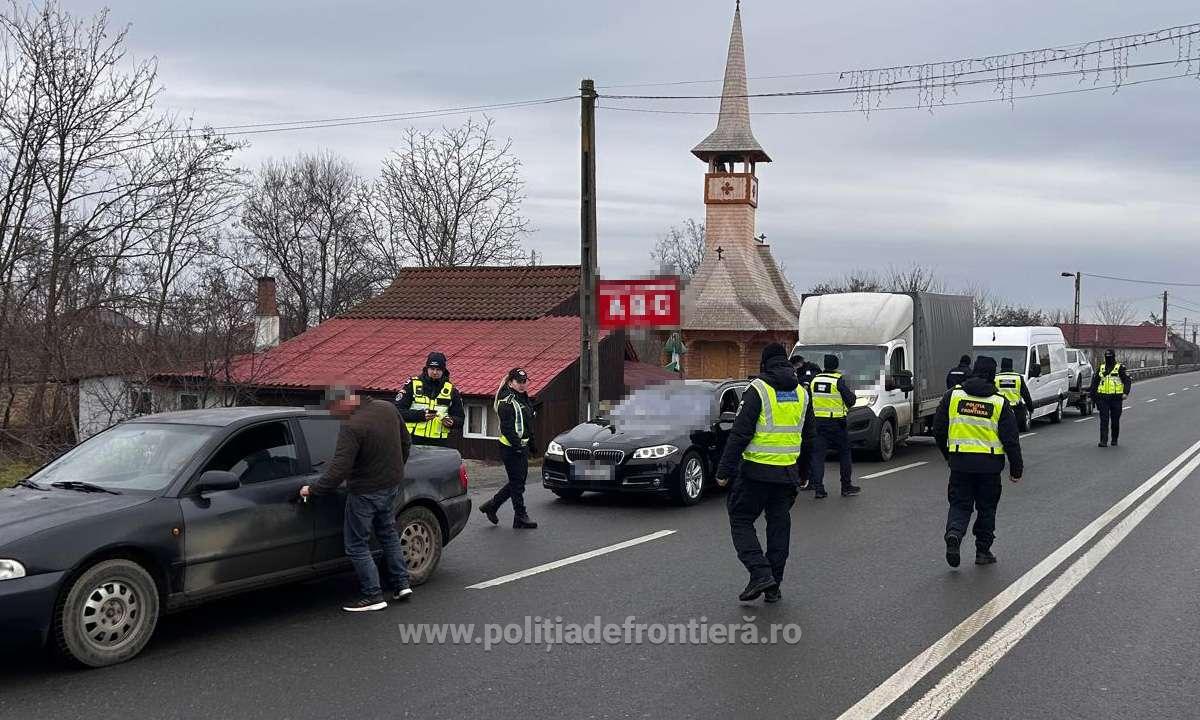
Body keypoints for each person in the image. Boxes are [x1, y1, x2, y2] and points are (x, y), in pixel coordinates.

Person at [716, 344, 815, 603]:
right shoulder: (803, 393)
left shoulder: (758, 390)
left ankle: (760, 573)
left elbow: (740, 433)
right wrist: (805, 474)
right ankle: (774, 585)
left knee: (740, 519)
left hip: (755, 473)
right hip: (787, 475)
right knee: (779, 527)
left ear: (765, 364)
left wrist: (724, 470)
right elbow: (809, 439)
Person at [301, 386, 413, 612]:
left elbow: (338, 471)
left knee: (356, 544)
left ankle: (373, 596)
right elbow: (406, 443)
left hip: (365, 491)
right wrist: (395, 469)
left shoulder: (352, 426)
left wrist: (312, 490)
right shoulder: (387, 408)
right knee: (388, 533)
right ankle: (401, 584)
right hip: (390, 484)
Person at [933, 356, 1024, 567]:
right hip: (990, 467)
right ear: (993, 375)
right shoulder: (999, 402)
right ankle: (983, 552)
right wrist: (1016, 469)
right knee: (987, 508)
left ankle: (954, 534)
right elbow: (1011, 439)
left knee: (959, 504)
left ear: (974, 371)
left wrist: (949, 454)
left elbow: (938, 428)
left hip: (960, 463)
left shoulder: (952, 396)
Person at [479, 368, 538, 529]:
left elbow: (527, 423)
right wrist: (518, 446)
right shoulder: (507, 400)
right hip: (510, 447)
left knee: (518, 482)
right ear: (511, 382)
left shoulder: (523, 398)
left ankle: (492, 505)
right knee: (517, 483)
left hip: (521, 446)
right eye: (519, 382)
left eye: (524, 381)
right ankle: (520, 516)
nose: (522, 385)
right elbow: (507, 428)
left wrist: (532, 444)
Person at [808, 354, 862, 499]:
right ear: (836, 365)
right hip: (836, 423)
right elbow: (850, 400)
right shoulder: (838, 380)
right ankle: (846, 486)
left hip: (818, 423)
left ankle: (818, 489)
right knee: (844, 453)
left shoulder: (815, 380)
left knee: (818, 456)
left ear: (824, 364)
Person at [395, 352, 465, 447]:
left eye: (438, 369)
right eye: (432, 369)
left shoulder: (452, 390)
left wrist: (452, 421)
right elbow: (397, 412)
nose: (435, 372)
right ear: (426, 368)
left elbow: (460, 419)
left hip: (439, 443)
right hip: (412, 440)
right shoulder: (412, 384)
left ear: (444, 370)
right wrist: (421, 415)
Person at [789, 351, 820, 491]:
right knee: (810, 451)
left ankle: (811, 481)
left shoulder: (807, 375)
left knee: (809, 452)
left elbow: (804, 395)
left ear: (798, 364)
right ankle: (810, 480)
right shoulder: (813, 372)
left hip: (809, 418)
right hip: (815, 416)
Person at [1090, 349, 1131, 448]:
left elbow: (1127, 381)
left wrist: (1125, 393)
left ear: (1113, 357)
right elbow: (1095, 383)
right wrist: (1093, 397)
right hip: (1103, 398)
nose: (1108, 358)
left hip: (1116, 399)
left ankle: (1114, 439)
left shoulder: (1120, 368)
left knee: (1115, 420)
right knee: (1104, 420)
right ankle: (1103, 441)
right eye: (1106, 356)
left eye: (1110, 356)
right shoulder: (1101, 368)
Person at [994, 357, 1034, 430]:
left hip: (1001, 408)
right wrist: (1030, 407)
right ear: (1011, 366)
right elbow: (1026, 394)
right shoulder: (1018, 377)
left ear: (1002, 366)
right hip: (1016, 410)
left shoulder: (996, 378)